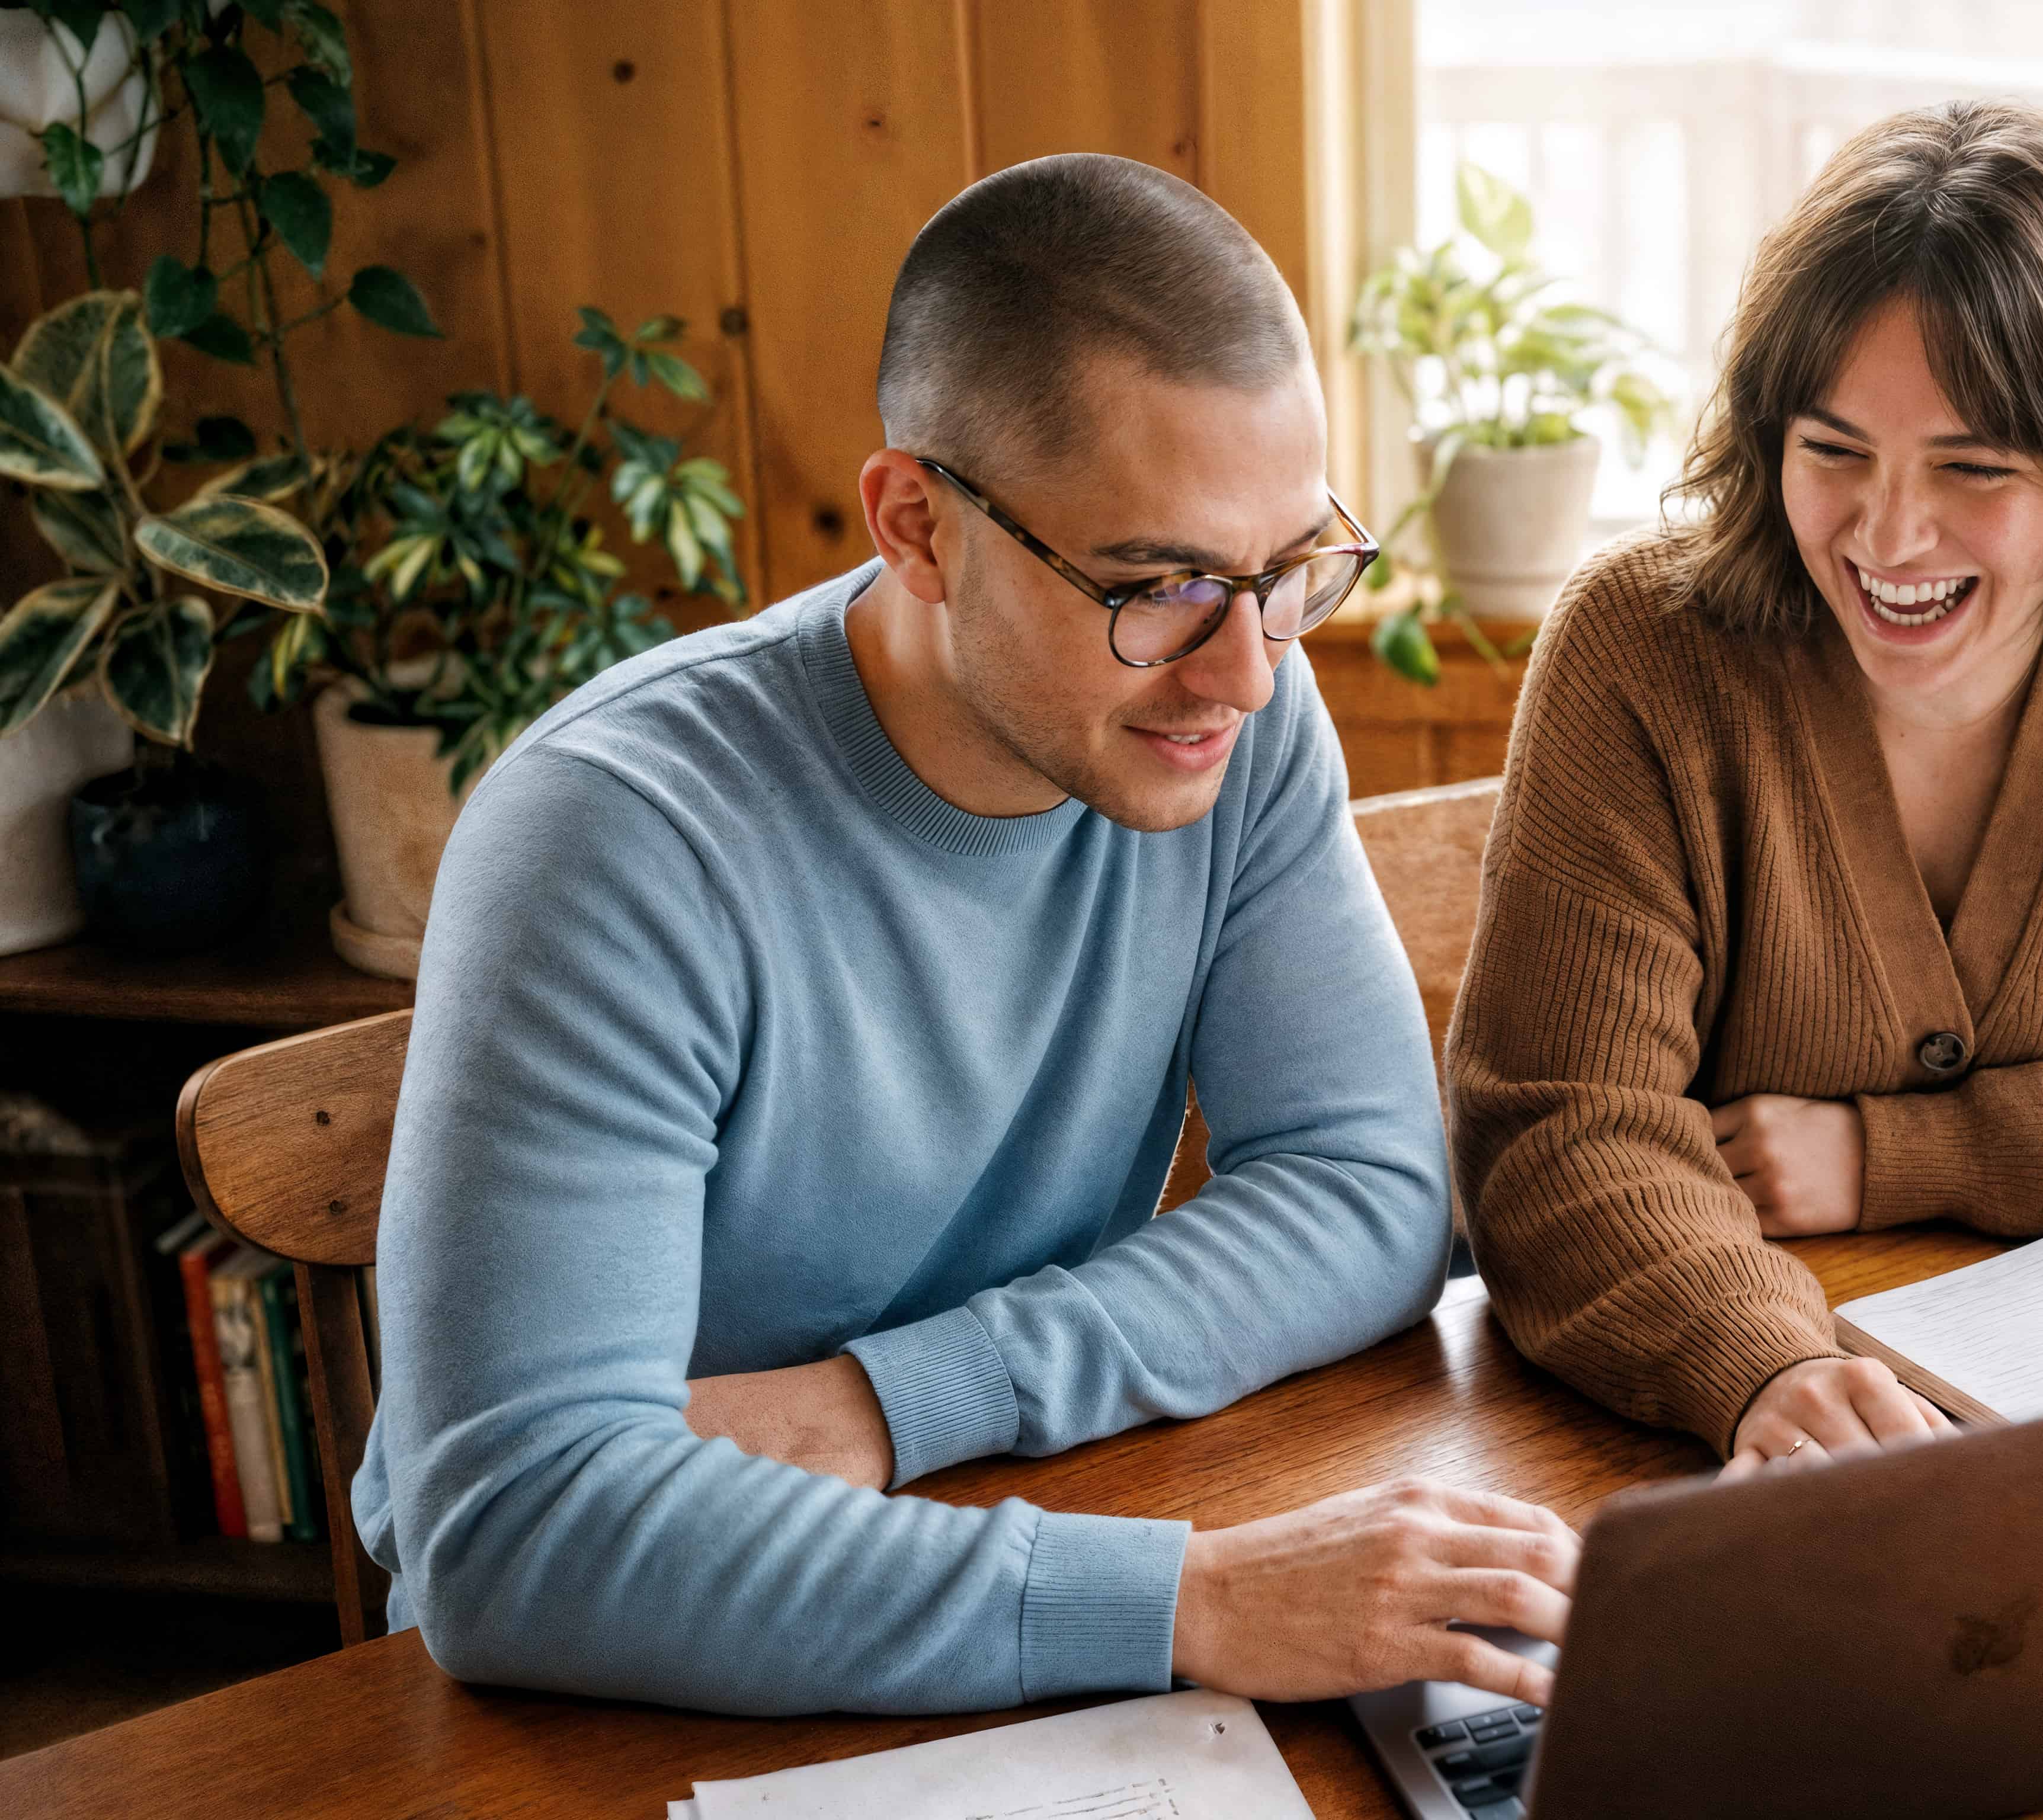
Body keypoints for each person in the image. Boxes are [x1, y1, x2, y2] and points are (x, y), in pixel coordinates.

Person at [357, 155, 1576, 1718]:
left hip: (987, 1554)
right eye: (1160, 586)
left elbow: (1373, 1195)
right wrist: (1193, 1599)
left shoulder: (1232, 714)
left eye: (1286, 575)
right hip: (594, 1696)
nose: (1248, 674)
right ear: (918, 526)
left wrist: (889, 1406)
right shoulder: (615, 839)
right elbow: (521, 1531)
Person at [1446, 101, 2043, 1480]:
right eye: (1832, 452)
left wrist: (1901, 1157)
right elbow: (1560, 1130)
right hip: (1723, 1441)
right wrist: (1771, 1364)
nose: (1888, 536)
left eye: (1972, 467)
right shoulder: (1637, 651)